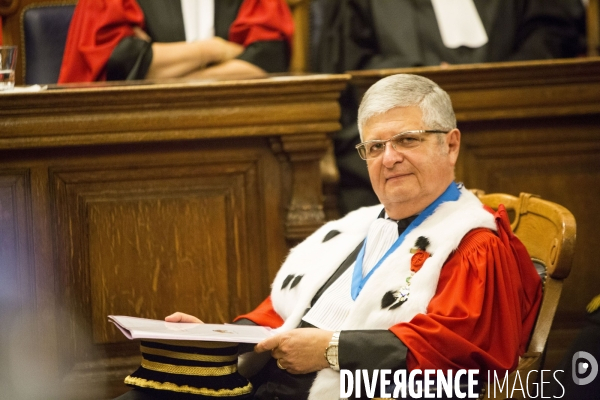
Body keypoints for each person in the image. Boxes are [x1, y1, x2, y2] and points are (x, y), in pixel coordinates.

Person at [118, 74, 543, 400]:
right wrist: (217, 336)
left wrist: (332, 350)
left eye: (407, 140)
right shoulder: (354, 227)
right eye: (374, 147)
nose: (389, 158)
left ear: (450, 146)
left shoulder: (473, 245)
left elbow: (458, 360)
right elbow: (281, 313)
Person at [310, 0, 587, 214]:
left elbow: (552, 30)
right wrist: (421, 82)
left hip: (518, 119)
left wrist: (500, 79)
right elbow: (347, 58)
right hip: (400, 114)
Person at [58, 0, 294, 83]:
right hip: (141, 136)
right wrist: (213, 50)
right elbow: (118, 63)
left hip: (237, 132)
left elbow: (269, 59)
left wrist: (162, 68)